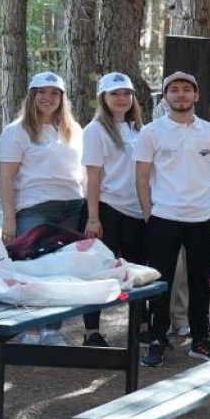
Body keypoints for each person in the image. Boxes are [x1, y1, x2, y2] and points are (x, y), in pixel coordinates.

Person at [134, 71, 210, 365]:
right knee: (161, 282)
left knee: (200, 282)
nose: (180, 94)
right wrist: (150, 214)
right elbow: (141, 177)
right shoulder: (151, 132)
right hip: (164, 217)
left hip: (204, 217)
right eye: (173, 90)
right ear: (165, 97)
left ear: (196, 95)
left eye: (186, 89)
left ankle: (200, 339)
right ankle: (158, 339)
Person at [80, 72, 145, 347]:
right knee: (97, 272)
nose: (122, 99)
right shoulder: (95, 130)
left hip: (136, 211)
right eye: (115, 94)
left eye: (127, 93)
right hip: (107, 209)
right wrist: (93, 217)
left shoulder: (138, 129)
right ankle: (91, 332)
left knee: (138, 273)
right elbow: (92, 177)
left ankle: (140, 326)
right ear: (103, 98)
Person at [0, 72, 85, 244]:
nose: (48, 97)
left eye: (55, 92)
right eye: (42, 91)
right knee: (35, 265)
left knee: (69, 266)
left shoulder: (73, 129)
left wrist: (91, 214)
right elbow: (6, 178)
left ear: (62, 98)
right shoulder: (16, 131)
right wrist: (9, 220)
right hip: (34, 210)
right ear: (32, 95)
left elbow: (83, 172)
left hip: (74, 209)